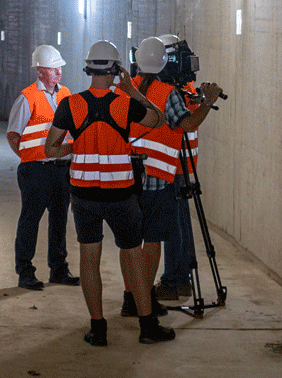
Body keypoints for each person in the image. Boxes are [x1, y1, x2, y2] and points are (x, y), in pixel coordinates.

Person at [43, 40, 174, 346]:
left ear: (88, 67)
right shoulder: (124, 104)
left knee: (89, 258)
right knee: (133, 256)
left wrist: (76, 146)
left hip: (84, 196)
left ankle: (98, 329)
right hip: (121, 196)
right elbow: (158, 119)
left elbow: (50, 148)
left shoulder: (70, 104)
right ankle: (147, 327)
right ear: (117, 70)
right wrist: (133, 90)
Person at [129, 35, 223, 308]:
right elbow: (187, 123)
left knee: (168, 227)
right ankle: (175, 279)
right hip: (168, 164)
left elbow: (187, 124)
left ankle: (172, 280)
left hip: (166, 166)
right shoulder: (170, 90)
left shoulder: (171, 90)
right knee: (171, 226)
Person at [6, 44, 77, 291]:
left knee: (59, 221)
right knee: (30, 221)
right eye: (54, 69)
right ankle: (25, 272)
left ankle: (59, 269)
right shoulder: (27, 98)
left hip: (60, 170)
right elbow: (13, 135)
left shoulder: (65, 94)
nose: (59, 73)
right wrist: (29, 158)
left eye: (59, 69)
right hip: (35, 170)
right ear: (40, 71)